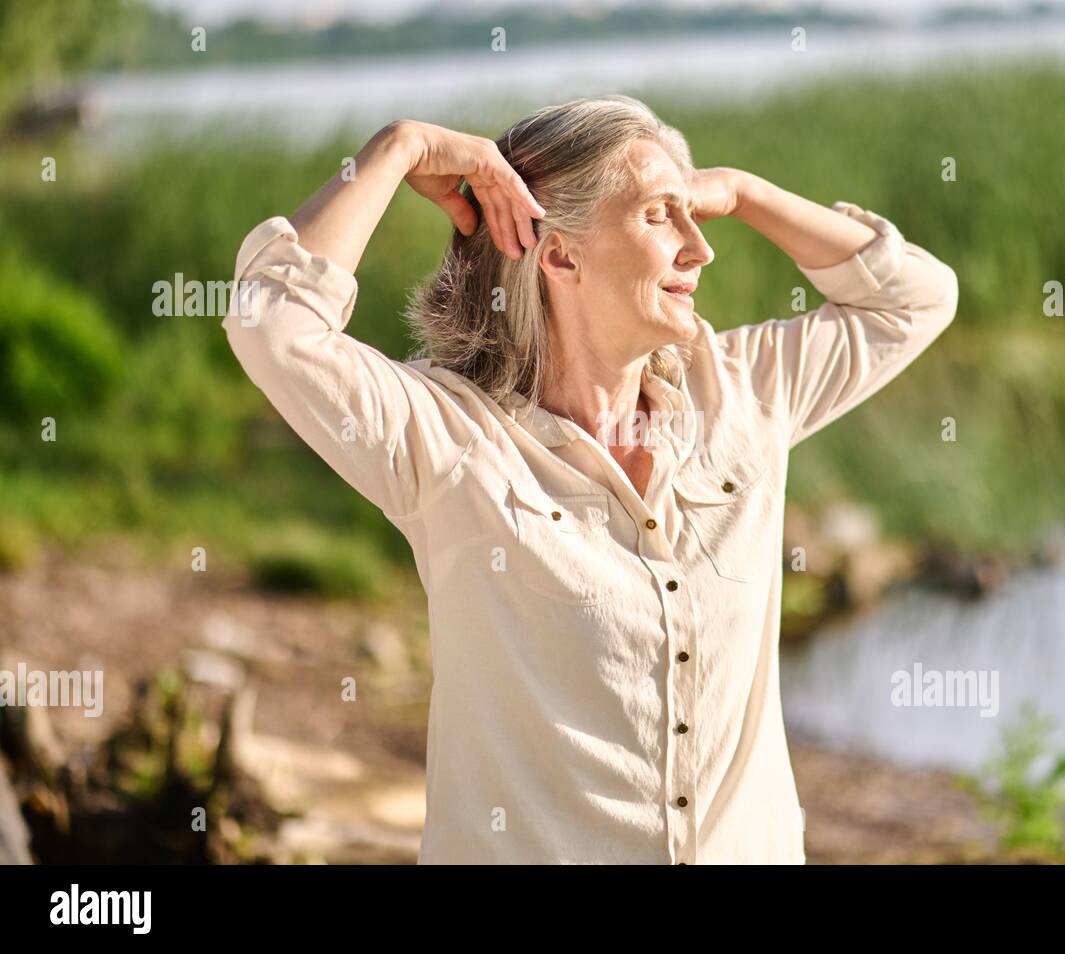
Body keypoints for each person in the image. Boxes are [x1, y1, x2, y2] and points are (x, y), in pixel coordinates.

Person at [222, 94, 958, 864]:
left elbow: (915, 298)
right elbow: (272, 325)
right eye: (657, 217)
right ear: (562, 255)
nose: (700, 248)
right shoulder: (449, 442)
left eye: (692, 215)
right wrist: (399, 148)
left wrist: (745, 192)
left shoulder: (740, 395)